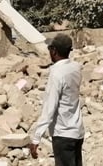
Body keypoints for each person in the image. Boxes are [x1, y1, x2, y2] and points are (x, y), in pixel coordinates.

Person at [30, 34, 85, 165]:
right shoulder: (75, 67)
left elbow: (49, 108)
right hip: (77, 130)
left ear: (54, 51)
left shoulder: (57, 74)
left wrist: (36, 138)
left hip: (63, 134)